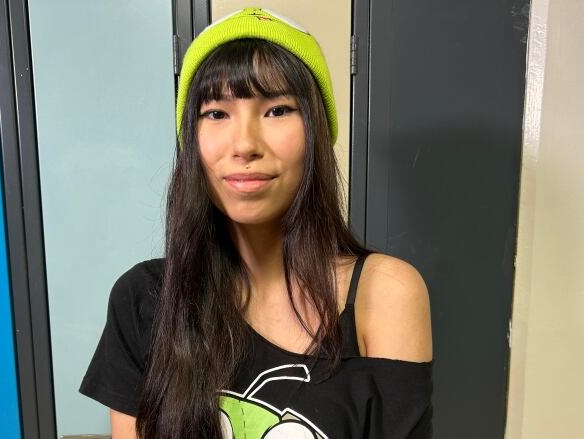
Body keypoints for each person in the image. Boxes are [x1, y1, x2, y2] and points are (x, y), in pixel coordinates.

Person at [80, 7, 433, 439]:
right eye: (216, 113)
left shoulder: (384, 294)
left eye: (278, 110)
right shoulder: (144, 299)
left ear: (316, 134)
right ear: (192, 141)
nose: (245, 144)